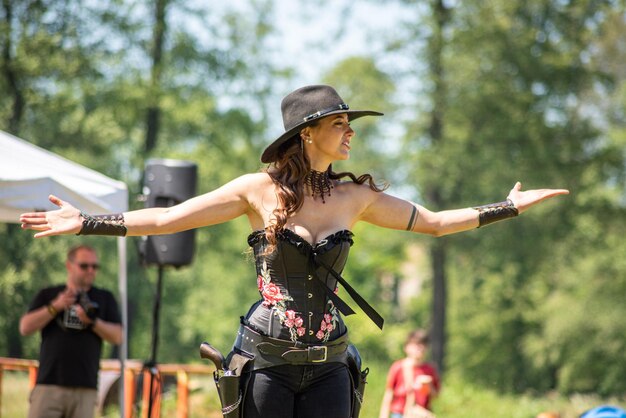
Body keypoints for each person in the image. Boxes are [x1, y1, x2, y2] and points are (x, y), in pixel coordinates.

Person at [19, 84, 569, 418]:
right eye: (339, 124)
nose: (349, 133)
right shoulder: (256, 191)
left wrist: (507, 207)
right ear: (307, 133)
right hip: (267, 361)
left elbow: (436, 223)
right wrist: (84, 221)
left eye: (350, 124)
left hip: (331, 361)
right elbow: (164, 217)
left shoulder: (357, 197)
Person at [19, 244, 123, 418]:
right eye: (84, 266)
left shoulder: (104, 297)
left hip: (85, 387)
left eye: (94, 266)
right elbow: (25, 327)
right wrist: (56, 307)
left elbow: (118, 336)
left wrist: (92, 322)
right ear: (69, 265)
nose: (90, 270)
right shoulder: (49, 294)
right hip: (49, 385)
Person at [379, 329, 440, 418]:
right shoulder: (398, 367)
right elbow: (389, 395)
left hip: (420, 414)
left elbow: (435, 395)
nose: (420, 348)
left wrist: (428, 386)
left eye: (424, 344)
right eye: (416, 344)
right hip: (399, 414)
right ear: (407, 347)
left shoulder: (430, 370)